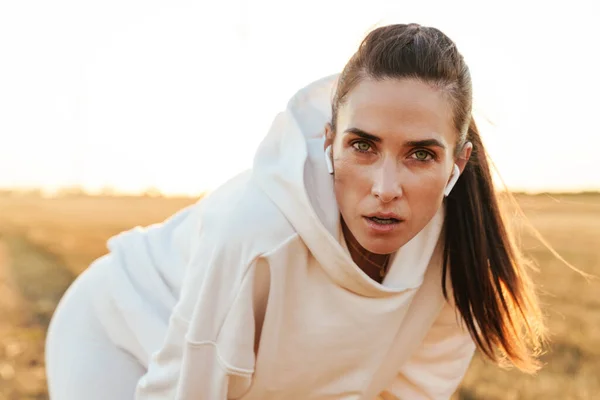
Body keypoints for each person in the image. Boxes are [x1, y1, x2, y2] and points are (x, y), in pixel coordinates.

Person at [45, 23, 547, 399]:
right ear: (330, 143)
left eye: (421, 154)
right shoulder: (256, 232)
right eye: (363, 146)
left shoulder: (459, 249)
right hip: (120, 336)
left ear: (458, 162)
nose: (386, 188)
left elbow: (409, 390)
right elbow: (189, 388)